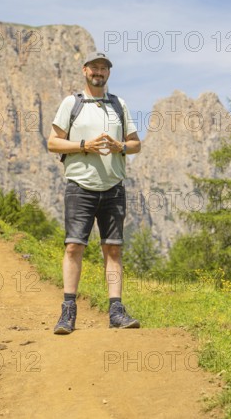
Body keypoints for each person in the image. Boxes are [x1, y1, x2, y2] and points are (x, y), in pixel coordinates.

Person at [47, 51, 141, 334]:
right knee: (74, 246)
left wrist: (120, 147)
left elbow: (136, 144)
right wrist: (84, 145)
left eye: (104, 68)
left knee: (113, 249)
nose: (99, 72)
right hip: (80, 187)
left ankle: (116, 312)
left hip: (113, 187)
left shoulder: (119, 104)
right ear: (84, 70)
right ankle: (68, 312)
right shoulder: (71, 103)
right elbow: (53, 143)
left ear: (108, 73)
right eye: (94, 68)